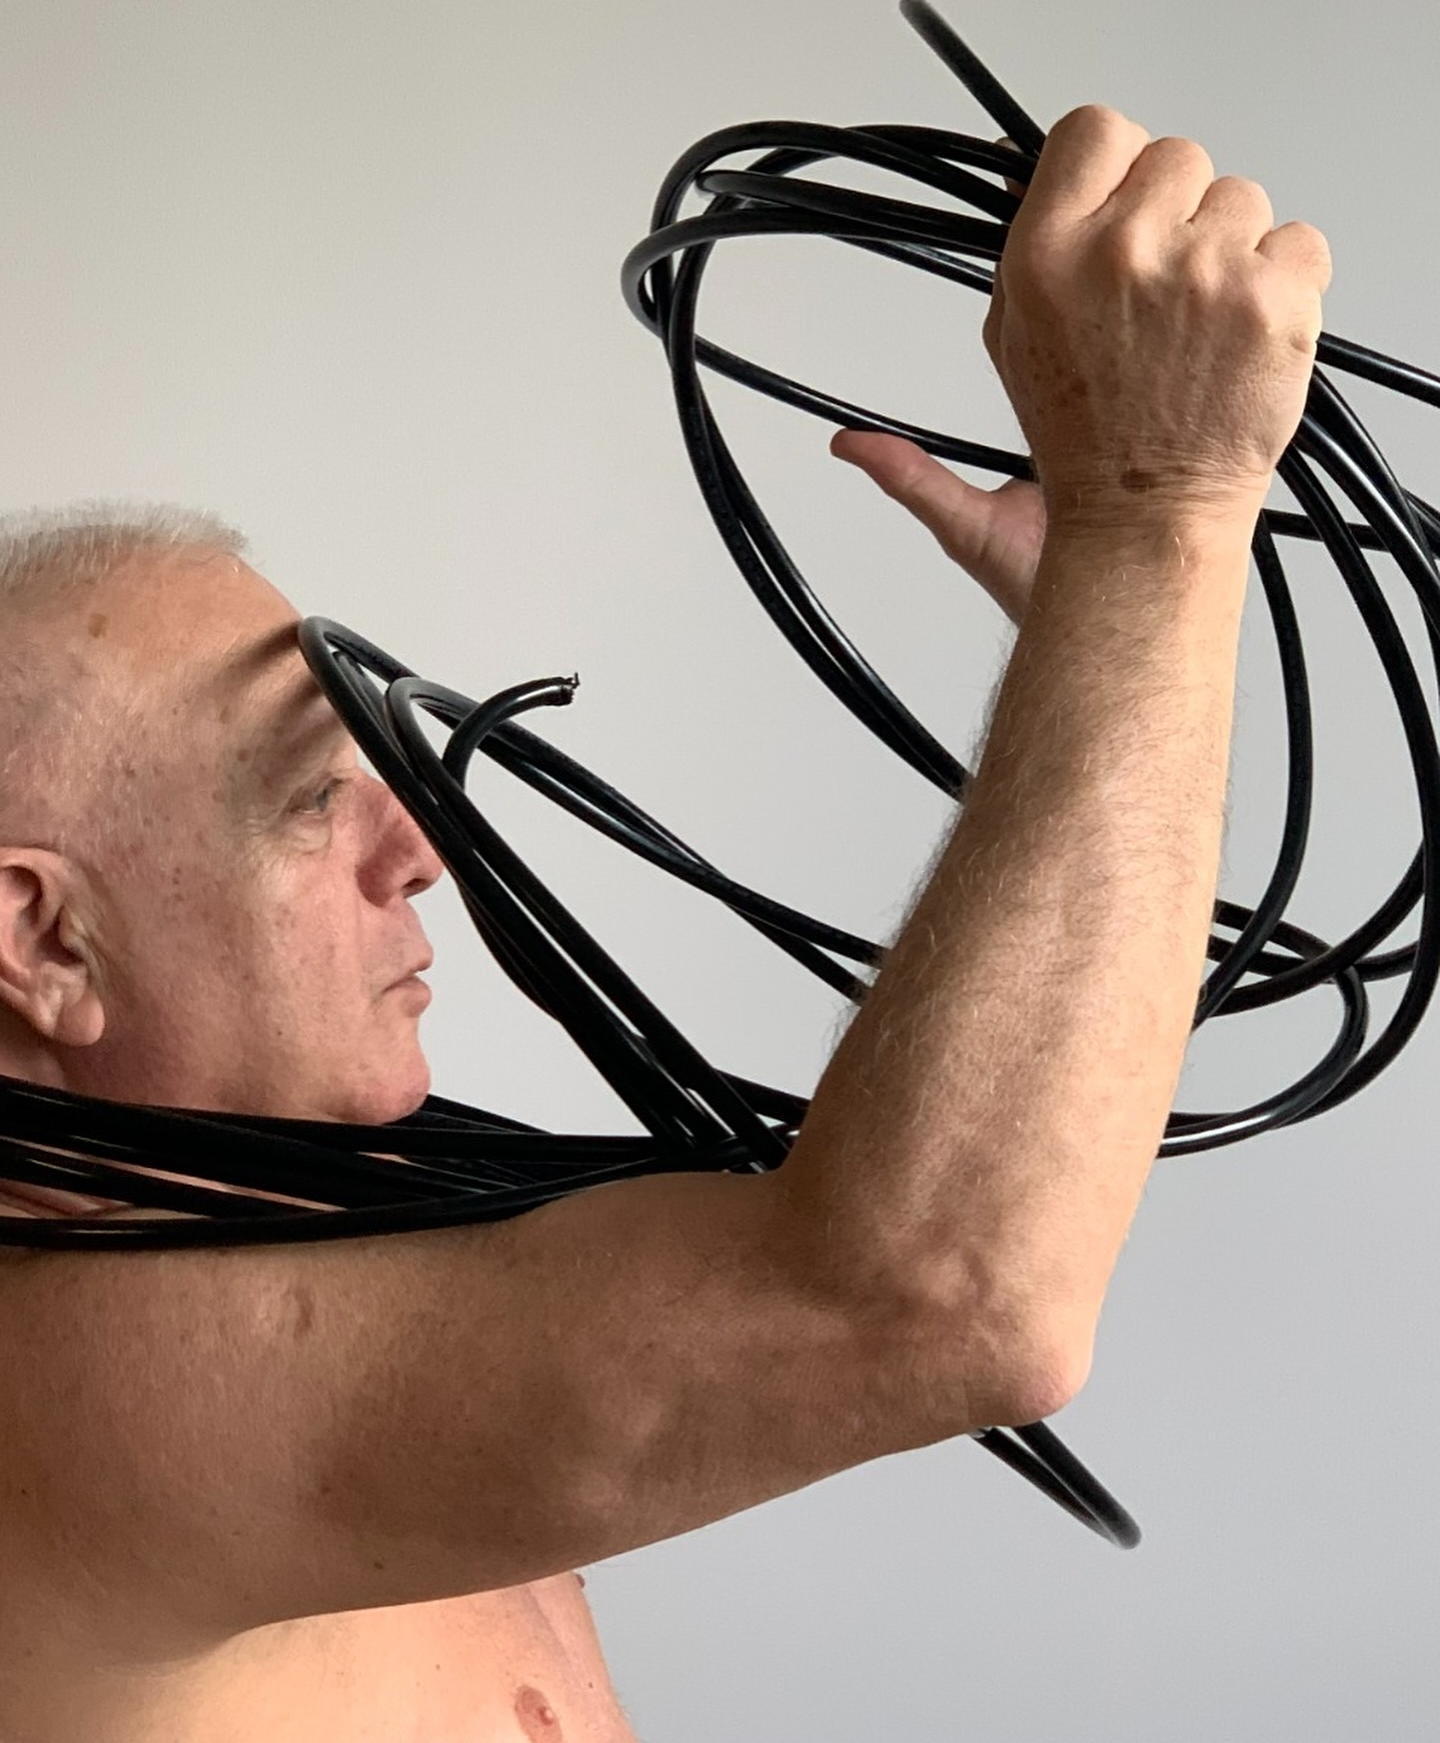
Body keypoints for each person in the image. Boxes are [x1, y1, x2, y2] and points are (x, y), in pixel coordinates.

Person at [0, 102, 1328, 1742]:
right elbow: (938, 1291)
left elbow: (975, 1186)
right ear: (42, 942)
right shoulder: (62, 1382)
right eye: (308, 799)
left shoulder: (325, 1231)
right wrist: (1154, 514)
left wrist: (1112, 620)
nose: (422, 853)